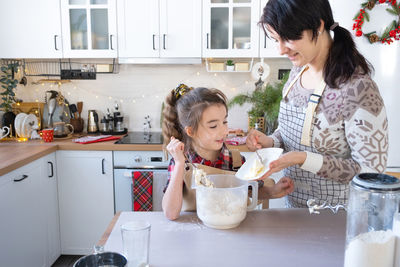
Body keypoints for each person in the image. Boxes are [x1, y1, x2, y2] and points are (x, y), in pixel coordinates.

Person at [247, 0, 388, 208]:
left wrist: (303, 158)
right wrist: (270, 141)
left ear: (319, 26)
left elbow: (370, 172)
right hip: (295, 212)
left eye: (288, 38)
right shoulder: (298, 71)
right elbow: (291, 133)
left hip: (340, 218)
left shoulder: (357, 89)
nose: (280, 50)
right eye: (276, 39)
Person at [162, 84, 294, 220]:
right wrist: (178, 164)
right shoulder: (182, 163)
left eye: (224, 122)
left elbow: (251, 191)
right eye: (213, 126)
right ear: (191, 131)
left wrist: (273, 192)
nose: (224, 131)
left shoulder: (235, 160)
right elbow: (170, 213)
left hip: (232, 227)